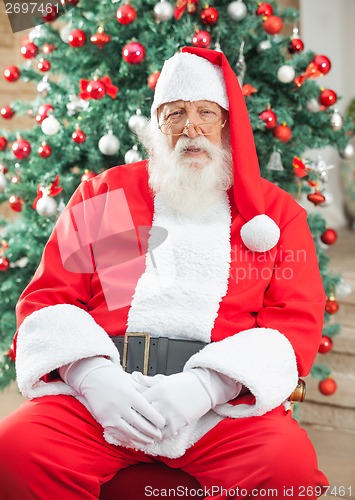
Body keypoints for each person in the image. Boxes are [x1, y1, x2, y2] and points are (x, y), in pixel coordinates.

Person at [0, 47, 329, 499]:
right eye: (175, 114)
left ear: (227, 125)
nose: (191, 128)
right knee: (16, 451)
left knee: (285, 470)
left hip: (217, 409)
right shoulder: (108, 194)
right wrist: (93, 376)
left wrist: (209, 384)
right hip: (103, 394)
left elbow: (293, 322)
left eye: (205, 113)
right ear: (158, 126)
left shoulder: (272, 215)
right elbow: (52, 297)